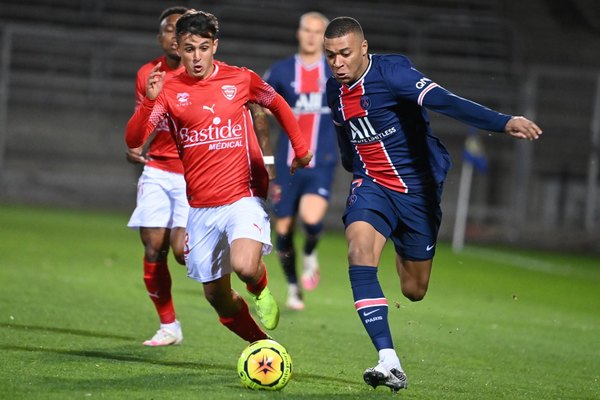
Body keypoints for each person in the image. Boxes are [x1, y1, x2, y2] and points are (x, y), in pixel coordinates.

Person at [323, 16, 542, 392]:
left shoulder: (394, 75)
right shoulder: (334, 89)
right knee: (358, 249)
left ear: (363, 48)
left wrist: (503, 122)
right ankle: (388, 360)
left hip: (417, 192)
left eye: (344, 54)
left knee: (414, 289)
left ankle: (395, 238)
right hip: (371, 186)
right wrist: (350, 166)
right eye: (330, 56)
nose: (337, 63)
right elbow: (345, 136)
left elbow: (445, 101)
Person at [126, 10, 312, 344]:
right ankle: (262, 345)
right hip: (200, 207)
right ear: (178, 49)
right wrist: (147, 104)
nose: (196, 57)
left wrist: (300, 149)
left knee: (245, 266)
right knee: (216, 297)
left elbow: (279, 104)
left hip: (242, 195)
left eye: (202, 47)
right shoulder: (169, 91)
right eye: (188, 48)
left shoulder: (241, 79)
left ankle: (260, 288)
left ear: (215, 45)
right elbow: (134, 139)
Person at [263, 11, 337, 311]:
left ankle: (309, 253)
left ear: (325, 37)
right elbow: (262, 104)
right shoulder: (281, 71)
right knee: (282, 231)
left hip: (321, 162)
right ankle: (293, 288)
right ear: (299, 32)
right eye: (306, 29)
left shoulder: (334, 71)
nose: (311, 35)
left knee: (311, 218)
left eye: (317, 31)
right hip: (286, 163)